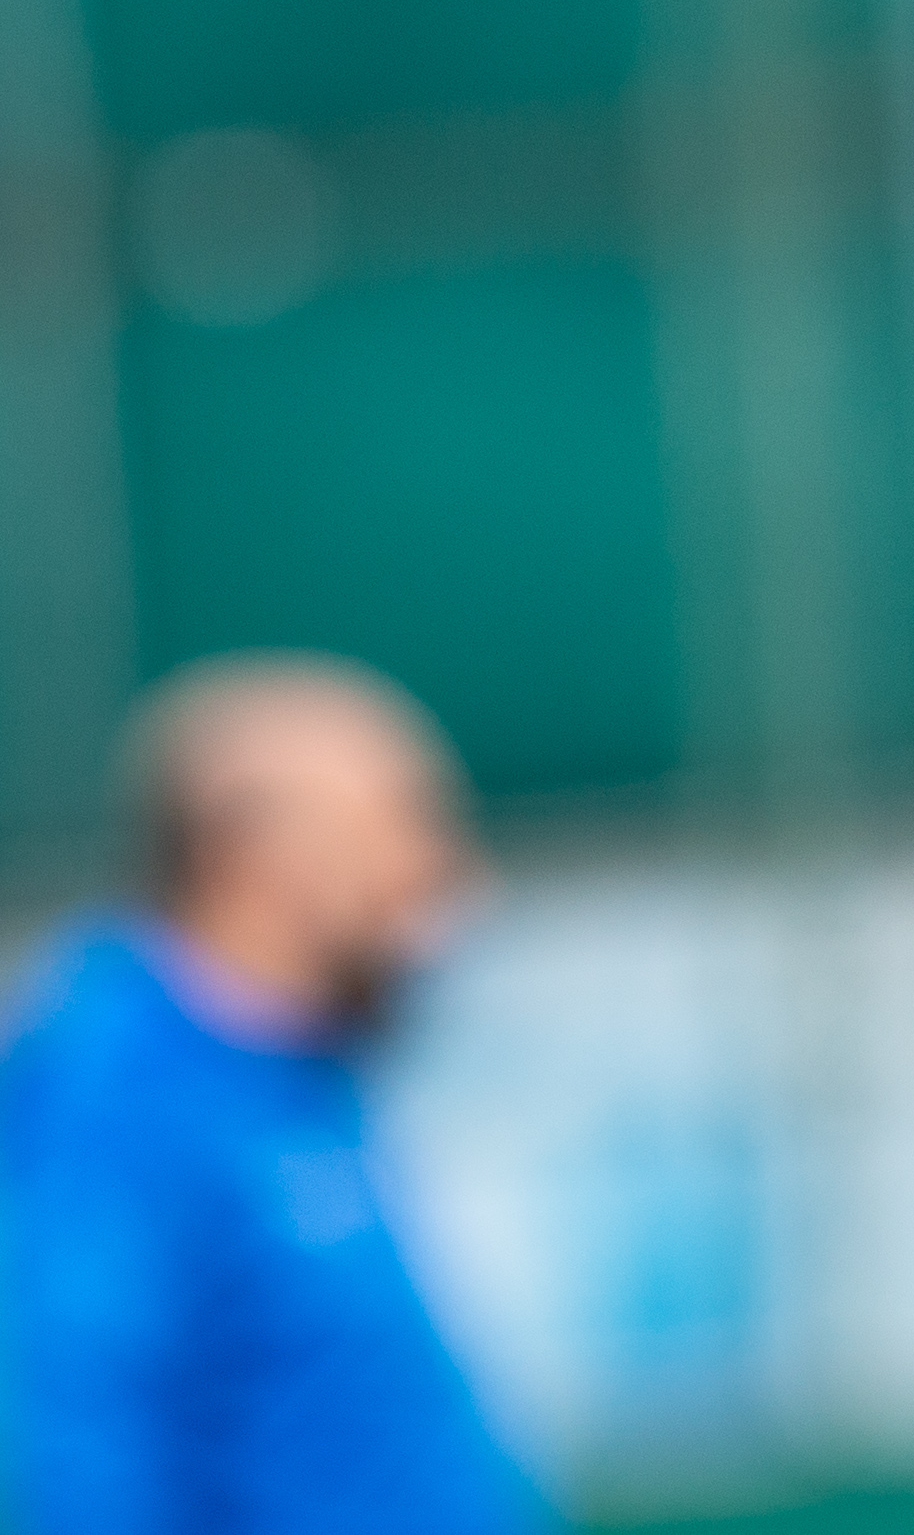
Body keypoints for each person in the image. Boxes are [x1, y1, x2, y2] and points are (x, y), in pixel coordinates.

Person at [0, 653, 542, 1535]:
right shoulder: (111, 1095)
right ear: (257, 847)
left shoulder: (293, 1071)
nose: (444, 874)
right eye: (402, 822)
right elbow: (85, 1445)